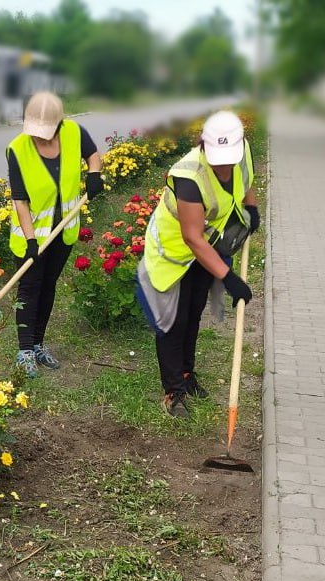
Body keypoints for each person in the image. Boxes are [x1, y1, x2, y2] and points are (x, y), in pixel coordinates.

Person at [137, 110, 259, 417]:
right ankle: (173, 392)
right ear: (204, 146)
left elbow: (244, 179)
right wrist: (229, 278)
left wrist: (251, 207)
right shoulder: (189, 175)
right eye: (217, 157)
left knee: (193, 313)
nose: (223, 164)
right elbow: (191, 237)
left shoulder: (240, 151)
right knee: (172, 322)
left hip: (207, 243)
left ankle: (187, 376)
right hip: (173, 250)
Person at [7, 91, 105, 377]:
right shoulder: (17, 149)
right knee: (29, 290)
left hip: (64, 230)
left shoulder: (74, 132)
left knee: (48, 286)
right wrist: (31, 240)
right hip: (32, 236)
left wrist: (94, 174)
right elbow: (20, 200)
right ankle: (24, 351)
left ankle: (38, 344)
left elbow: (93, 155)